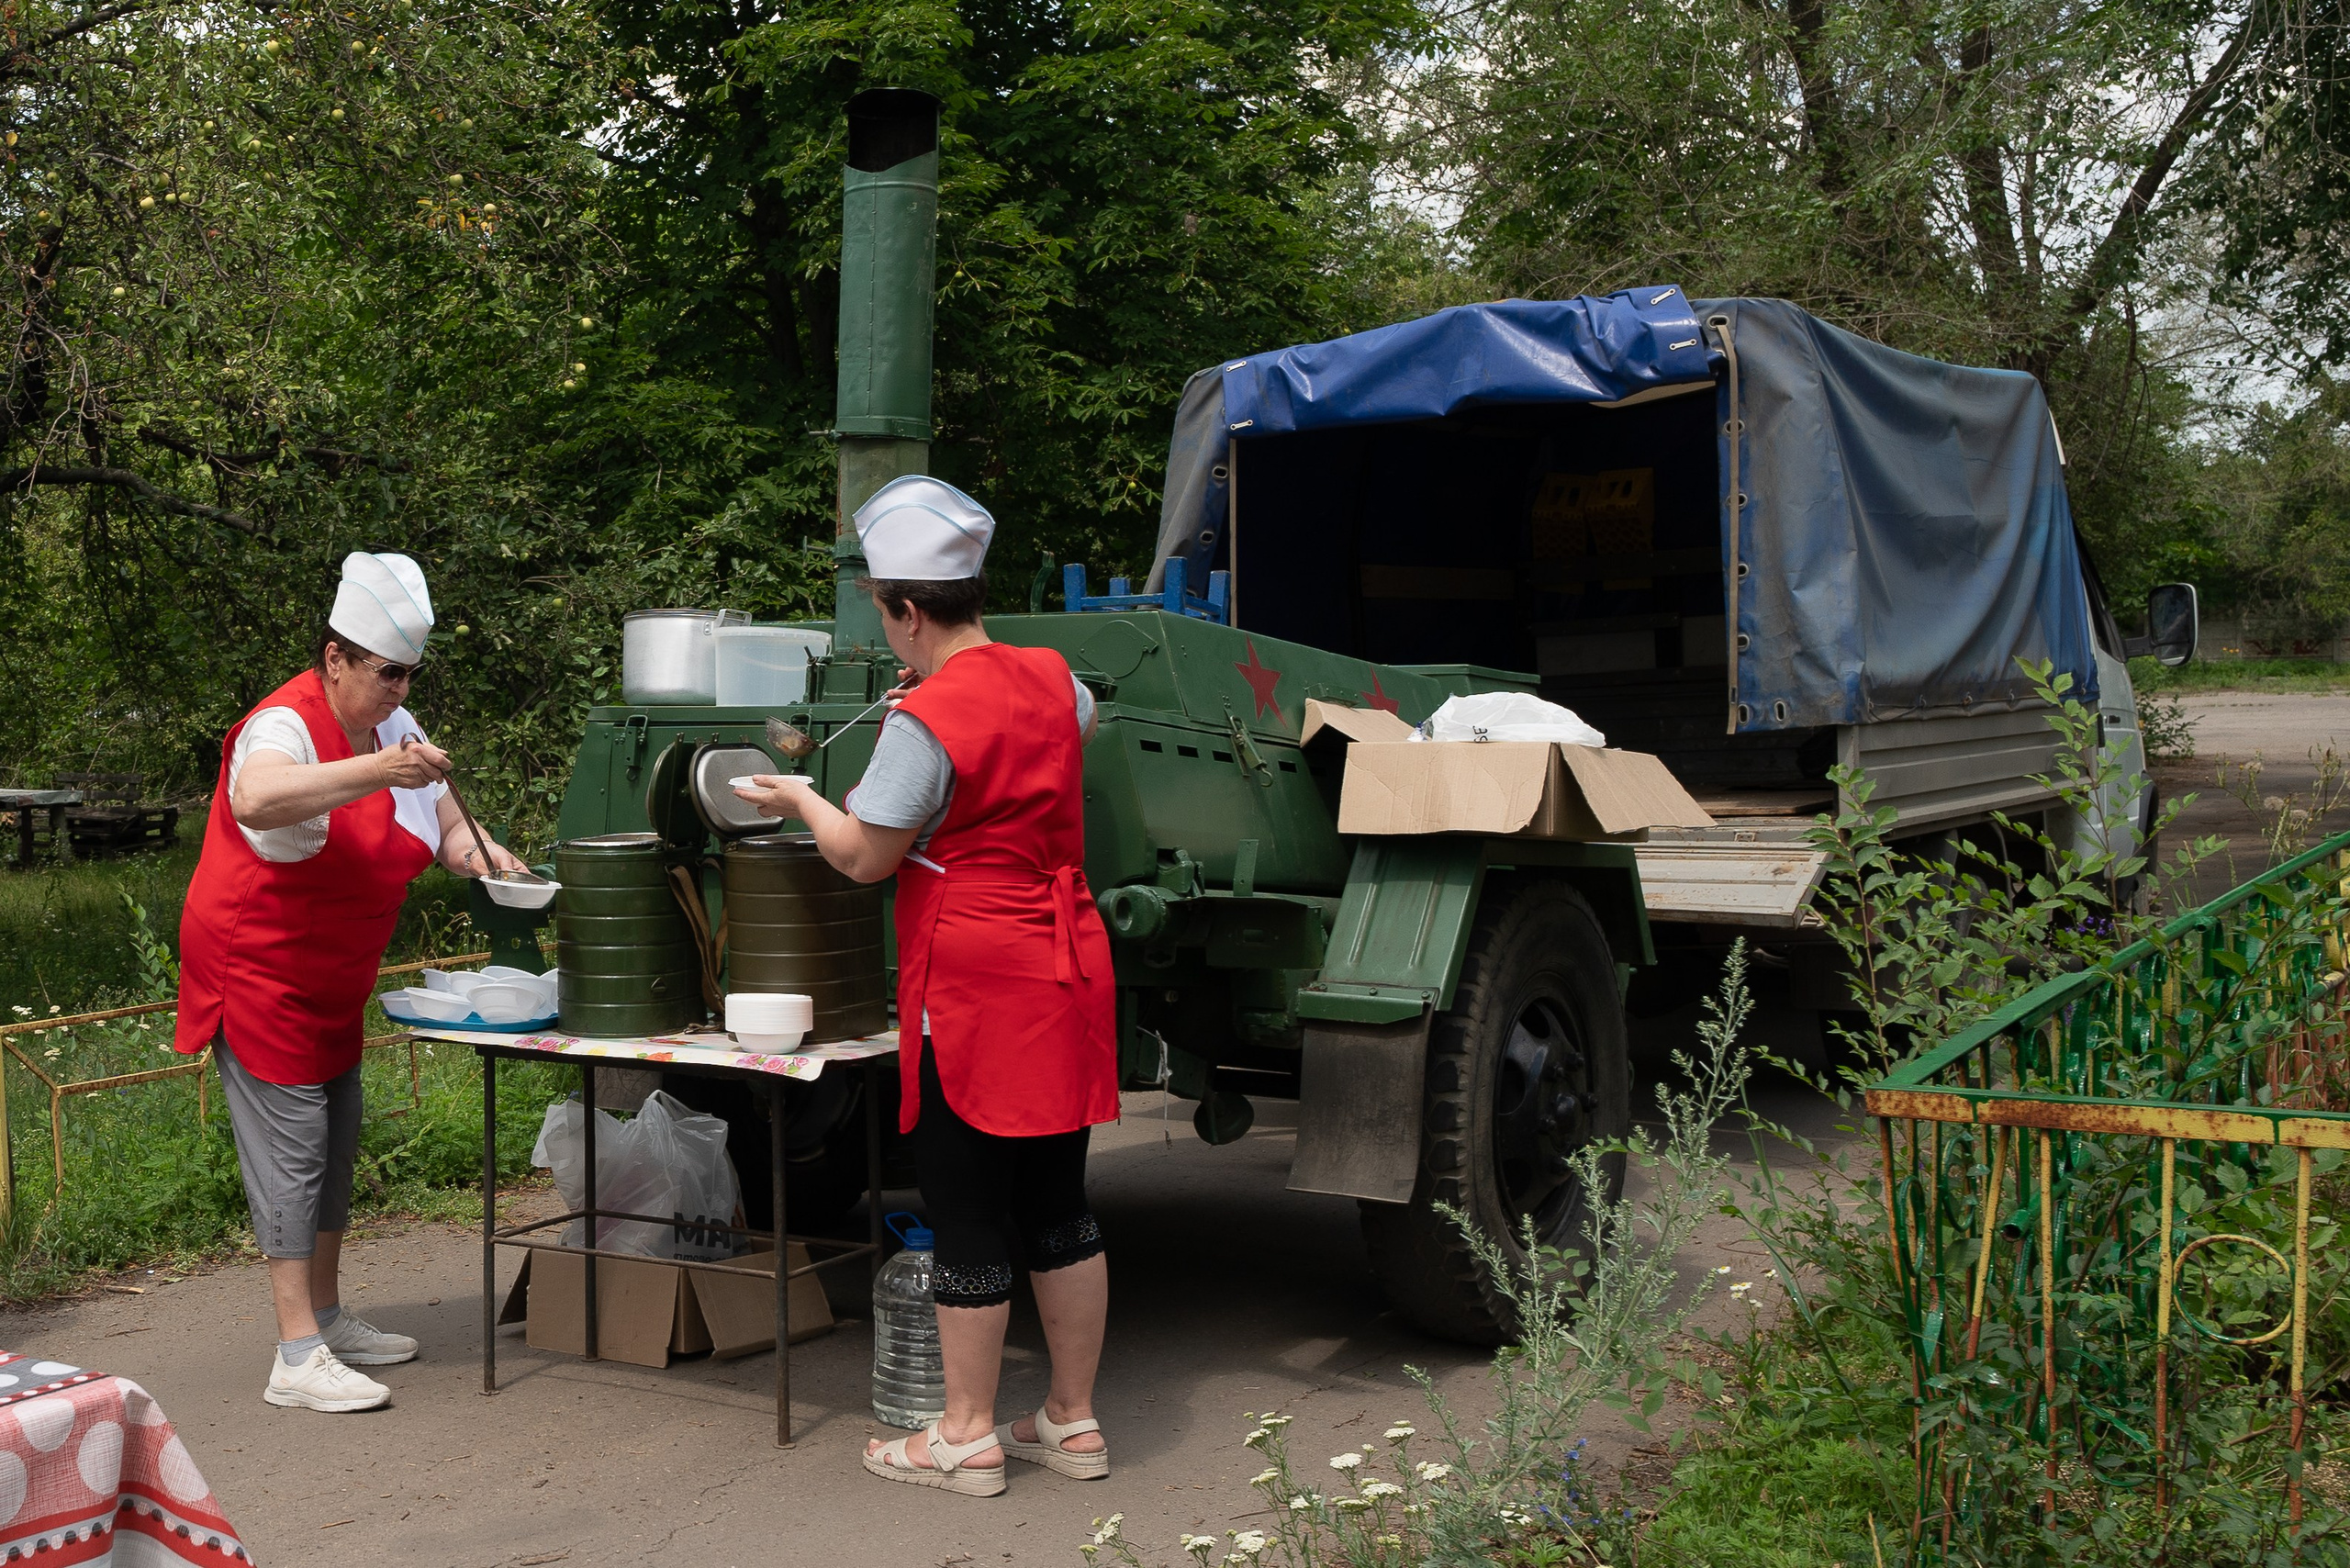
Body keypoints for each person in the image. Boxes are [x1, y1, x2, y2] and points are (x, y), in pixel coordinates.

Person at [734, 476, 1119, 1497]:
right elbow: (1068, 729)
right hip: (1064, 963)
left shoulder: (926, 718)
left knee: (965, 1201)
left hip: (977, 978)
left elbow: (864, 855)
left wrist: (801, 795)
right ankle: (1072, 1420)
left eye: (882, 610)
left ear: (907, 609)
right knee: (1060, 1198)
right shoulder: (1054, 678)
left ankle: (964, 1434)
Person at [173, 551, 527, 1414]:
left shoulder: (397, 728)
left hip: (334, 975)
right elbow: (256, 800)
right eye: (386, 672)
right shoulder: (283, 725)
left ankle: (326, 1319)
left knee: (335, 1142)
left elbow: (448, 826)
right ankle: (295, 1355)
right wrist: (377, 771)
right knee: (292, 1152)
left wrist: (487, 859)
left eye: (410, 675)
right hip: (260, 967)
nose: (399, 691)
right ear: (335, 658)